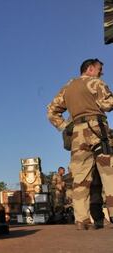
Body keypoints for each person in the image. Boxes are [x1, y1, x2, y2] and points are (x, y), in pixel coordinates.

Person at [47, 58, 113, 230]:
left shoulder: (67, 87)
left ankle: (81, 219)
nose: (101, 73)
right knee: (109, 173)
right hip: (98, 130)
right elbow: (108, 104)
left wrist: (65, 126)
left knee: (80, 178)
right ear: (90, 69)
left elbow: (51, 111)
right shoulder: (95, 83)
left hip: (77, 134)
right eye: (99, 70)